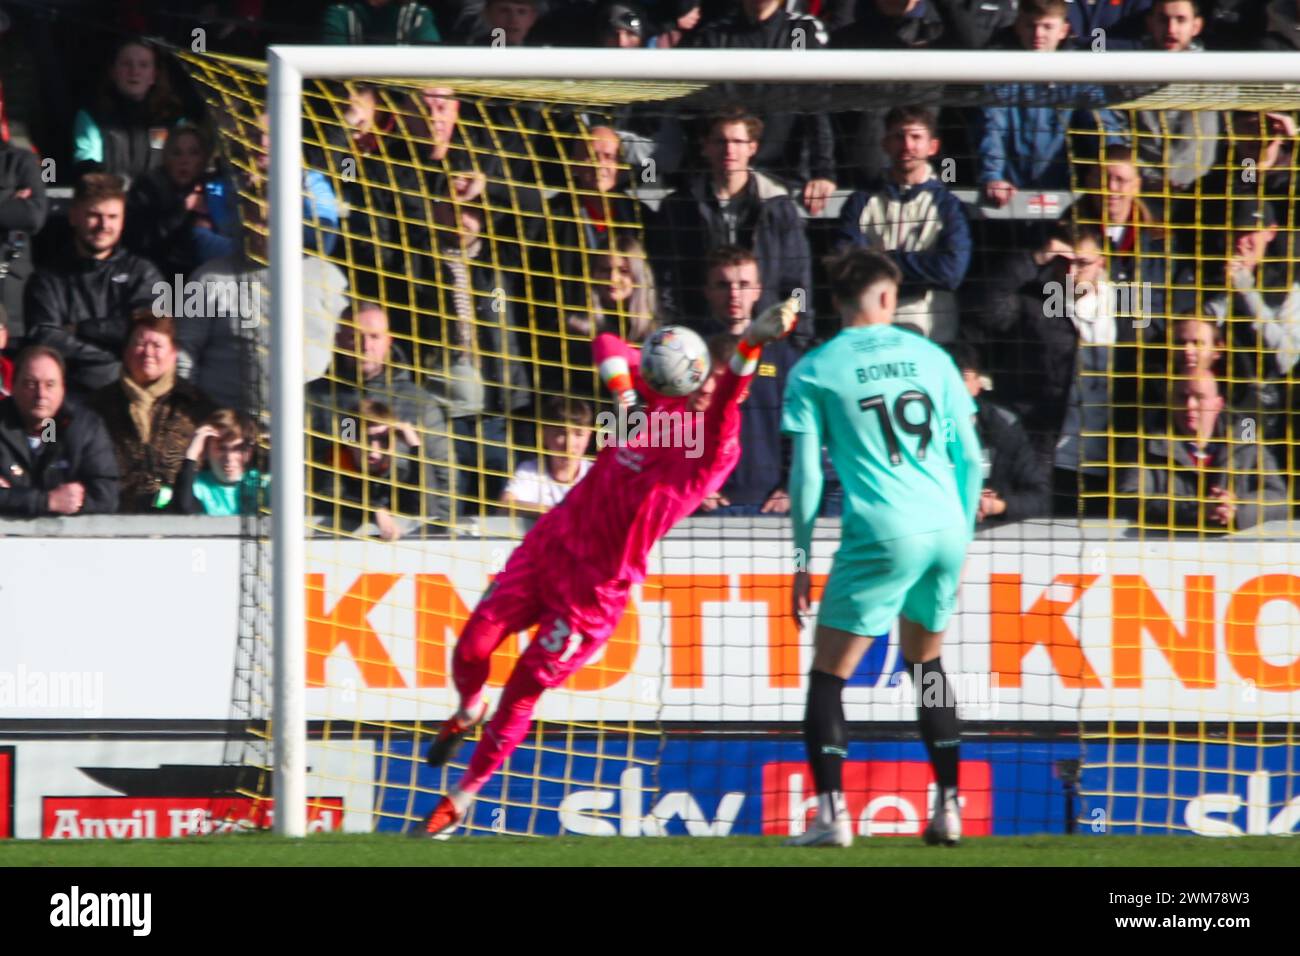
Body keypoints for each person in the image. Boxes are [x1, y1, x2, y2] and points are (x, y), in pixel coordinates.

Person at [417, 296, 799, 838]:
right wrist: (625, 393)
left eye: (716, 385)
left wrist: (752, 343)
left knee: (523, 691)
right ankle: (467, 706)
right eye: (701, 380)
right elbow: (607, 343)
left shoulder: (714, 449)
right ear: (685, 377)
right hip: (549, 548)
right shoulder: (657, 407)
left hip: (593, 594)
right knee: (472, 648)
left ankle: (463, 795)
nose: (709, 392)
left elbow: (731, 394)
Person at [781, 248, 982, 848]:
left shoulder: (813, 369)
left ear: (839, 300)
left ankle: (831, 817)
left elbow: (807, 477)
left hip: (881, 529)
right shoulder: (932, 355)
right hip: (946, 524)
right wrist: (963, 533)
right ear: (888, 298)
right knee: (927, 667)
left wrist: (800, 559)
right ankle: (949, 807)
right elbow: (970, 456)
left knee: (827, 678)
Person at [835, 105, 971, 343]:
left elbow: (951, 272)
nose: (907, 145)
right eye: (899, 136)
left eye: (916, 137)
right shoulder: (860, 202)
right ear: (885, 144)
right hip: (869, 332)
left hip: (930, 335)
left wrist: (881, 260)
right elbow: (847, 266)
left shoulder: (948, 206)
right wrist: (920, 265)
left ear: (933, 146)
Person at [24, 173, 165, 393]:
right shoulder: (47, 278)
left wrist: (81, 328)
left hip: (131, 393)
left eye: (112, 216)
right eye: (94, 215)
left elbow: (147, 332)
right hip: (69, 397)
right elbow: (45, 337)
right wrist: (110, 357)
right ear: (73, 216)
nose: (103, 225)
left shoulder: (143, 274)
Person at [1119, 368, 1289, 532]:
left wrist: (1236, 507)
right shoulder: (1146, 442)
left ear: (1218, 404)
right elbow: (1129, 499)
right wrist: (1196, 510)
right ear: (1170, 401)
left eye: (1199, 397)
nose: (1190, 405)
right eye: (1182, 397)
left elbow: (1279, 498)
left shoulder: (1246, 440)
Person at [93, 312, 214, 513]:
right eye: (140, 344)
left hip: (182, 523)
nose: (148, 352)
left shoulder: (197, 407)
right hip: (118, 520)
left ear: (174, 353)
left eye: (157, 346)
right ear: (126, 351)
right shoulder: (98, 406)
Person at [0, 345, 119, 516]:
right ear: (14, 386)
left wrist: (13, 498)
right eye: (31, 384)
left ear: (63, 388)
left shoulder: (84, 428)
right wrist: (48, 501)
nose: (41, 394)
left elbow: (106, 496)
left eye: (50, 385)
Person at [946, 341, 1050, 523]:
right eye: (946, 379)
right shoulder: (915, 428)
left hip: (995, 534)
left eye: (961, 377)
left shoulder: (1003, 427)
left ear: (978, 383)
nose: (952, 387)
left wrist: (997, 506)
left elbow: (1039, 498)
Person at [72, 38, 186, 186]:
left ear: (153, 76)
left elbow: (185, 165)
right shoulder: (92, 116)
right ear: (113, 72)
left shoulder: (173, 118)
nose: (134, 72)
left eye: (143, 65)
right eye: (126, 64)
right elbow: (87, 168)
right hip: (112, 202)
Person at [500, 396, 594, 516]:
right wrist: (560, 513)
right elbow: (505, 505)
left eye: (579, 434)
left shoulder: (598, 474)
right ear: (544, 435)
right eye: (561, 433)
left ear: (588, 437)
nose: (569, 445)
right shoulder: (529, 471)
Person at [170, 408, 267, 515]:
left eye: (238, 448)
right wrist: (191, 455)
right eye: (221, 448)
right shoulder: (197, 485)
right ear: (206, 449)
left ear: (250, 450)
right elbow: (183, 509)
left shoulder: (263, 482)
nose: (229, 458)